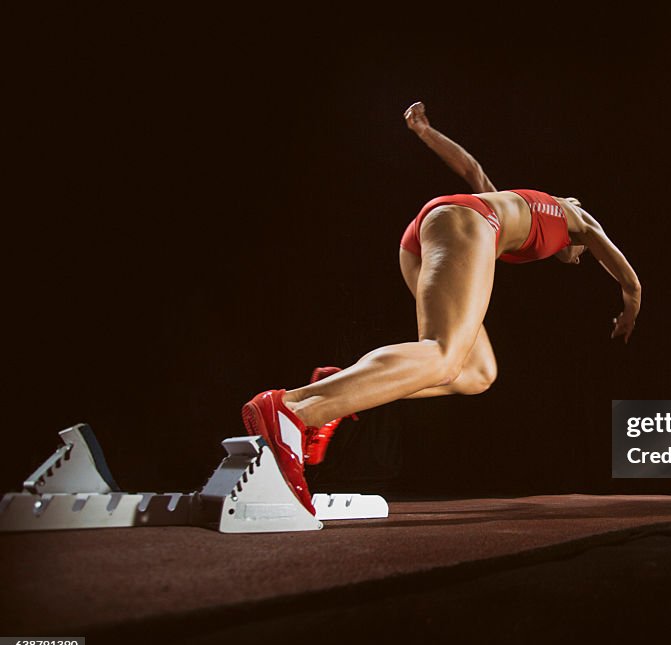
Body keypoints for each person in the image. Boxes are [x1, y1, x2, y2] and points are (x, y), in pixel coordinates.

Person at [242, 102, 642, 514]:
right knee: (442, 352)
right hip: (464, 224)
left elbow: (473, 172)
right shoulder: (573, 214)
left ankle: (344, 390)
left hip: (427, 236)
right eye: (577, 252)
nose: (576, 256)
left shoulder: (521, 206)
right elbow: (626, 274)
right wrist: (630, 308)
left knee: (476, 372)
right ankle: (290, 408)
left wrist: (425, 132)